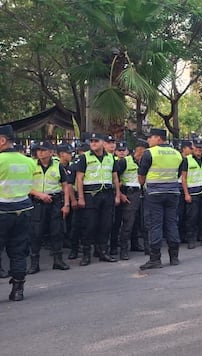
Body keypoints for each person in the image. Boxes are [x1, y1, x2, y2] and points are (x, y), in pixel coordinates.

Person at [137, 128, 183, 270]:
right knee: (171, 223)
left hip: (154, 194)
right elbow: (179, 173)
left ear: (158, 138)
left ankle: (155, 258)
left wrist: (144, 184)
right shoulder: (177, 154)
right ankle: (174, 257)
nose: (148, 141)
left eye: (150, 138)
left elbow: (141, 176)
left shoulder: (149, 153)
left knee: (155, 225)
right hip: (173, 192)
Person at [0, 125, 36, 301]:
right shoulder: (28, 162)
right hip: (23, 209)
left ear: (2, 140)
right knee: (19, 251)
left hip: (2, 211)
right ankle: (18, 290)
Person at [75, 133, 121, 266]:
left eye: (96, 141)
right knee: (89, 226)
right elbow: (79, 178)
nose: (93, 143)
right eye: (92, 141)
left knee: (106, 224)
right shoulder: (85, 158)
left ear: (102, 143)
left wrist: (117, 194)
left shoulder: (110, 158)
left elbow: (115, 178)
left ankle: (103, 252)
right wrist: (81, 197)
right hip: (91, 195)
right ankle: (86, 255)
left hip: (107, 194)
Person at [28, 141, 71, 274]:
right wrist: (39, 194)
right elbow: (25, 185)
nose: (40, 152)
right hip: (37, 202)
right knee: (36, 233)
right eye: (38, 150)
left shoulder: (58, 166)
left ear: (51, 152)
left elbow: (65, 185)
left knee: (56, 231)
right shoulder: (31, 165)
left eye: (43, 150)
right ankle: (34, 264)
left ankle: (58, 260)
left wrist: (66, 204)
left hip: (55, 201)